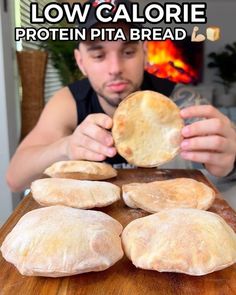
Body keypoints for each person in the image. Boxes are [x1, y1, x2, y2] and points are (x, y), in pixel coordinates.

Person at [6, 0, 236, 192]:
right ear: (81, 62)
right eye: (98, 55)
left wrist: (231, 162)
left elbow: (223, 154)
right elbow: (15, 178)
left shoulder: (180, 100)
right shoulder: (70, 103)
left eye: (128, 51)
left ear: (144, 53)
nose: (115, 67)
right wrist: (66, 147)